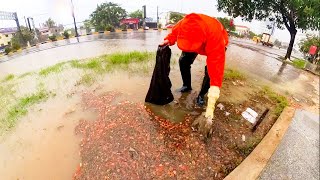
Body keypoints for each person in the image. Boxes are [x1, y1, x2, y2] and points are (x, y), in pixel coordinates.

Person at [160, 13, 228, 121]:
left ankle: (201, 95)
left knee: (210, 72)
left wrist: (212, 102)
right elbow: (174, 33)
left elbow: (216, 68)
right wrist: (169, 40)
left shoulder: (215, 36)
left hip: (215, 43)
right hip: (196, 39)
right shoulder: (184, 23)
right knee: (183, 60)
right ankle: (187, 85)